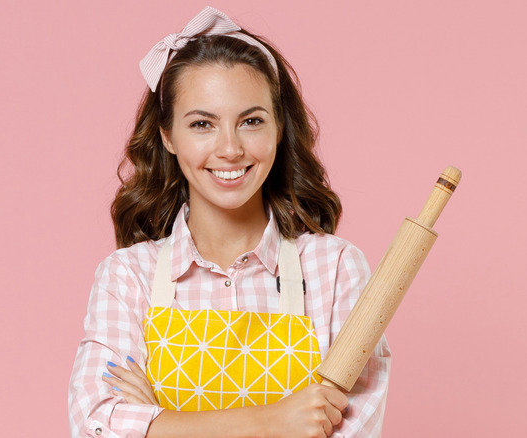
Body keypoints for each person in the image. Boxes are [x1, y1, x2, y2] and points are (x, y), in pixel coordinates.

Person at [69, 6, 390, 438]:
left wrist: (162, 424)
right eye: (202, 124)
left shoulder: (335, 270)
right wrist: (272, 421)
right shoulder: (127, 277)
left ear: (279, 127)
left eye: (251, 121)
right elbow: (95, 424)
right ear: (168, 136)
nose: (230, 149)